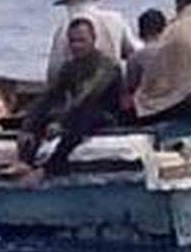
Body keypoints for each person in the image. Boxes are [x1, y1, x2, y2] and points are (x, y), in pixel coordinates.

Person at [7, 18, 123, 183]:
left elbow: (86, 96)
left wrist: (62, 123)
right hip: (77, 113)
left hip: (105, 116)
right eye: (73, 41)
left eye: (82, 41)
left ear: (93, 39)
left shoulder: (106, 66)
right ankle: (26, 160)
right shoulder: (70, 67)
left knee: (83, 116)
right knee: (44, 112)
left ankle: (49, 168)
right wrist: (28, 125)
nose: (77, 46)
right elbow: (49, 96)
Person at [45, 0, 140, 82]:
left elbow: (53, 71)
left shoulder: (63, 29)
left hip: (80, 89)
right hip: (114, 85)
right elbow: (137, 53)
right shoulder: (115, 19)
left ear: (68, 3)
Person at [125, 8, 167, 94]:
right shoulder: (176, 51)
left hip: (147, 103)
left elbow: (132, 86)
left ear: (140, 32)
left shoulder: (135, 58)